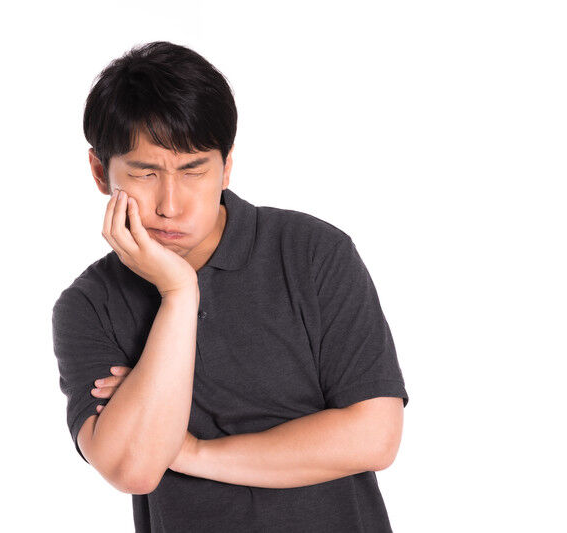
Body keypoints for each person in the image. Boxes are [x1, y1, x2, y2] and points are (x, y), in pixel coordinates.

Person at [51, 40, 409, 532]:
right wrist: (179, 293)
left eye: (193, 170)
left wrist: (191, 451)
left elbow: (374, 437)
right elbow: (133, 468)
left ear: (227, 166)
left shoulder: (312, 252)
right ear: (99, 171)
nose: (170, 205)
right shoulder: (89, 305)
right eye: (145, 173)